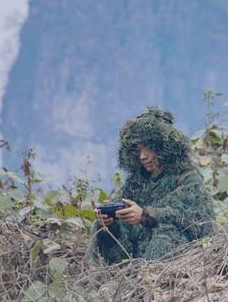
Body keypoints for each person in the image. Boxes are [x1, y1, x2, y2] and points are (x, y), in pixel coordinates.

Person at [91, 107, 215, 264]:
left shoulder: (186, 178)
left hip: (174, 260)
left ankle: (148, 276)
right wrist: (108, 223)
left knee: (166, 235)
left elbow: (200, 222)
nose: (143, 156)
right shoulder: (135, 183)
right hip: (134, 259)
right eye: (138, 150)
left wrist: (146, 215)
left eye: (149, 148)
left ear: (165, 147)